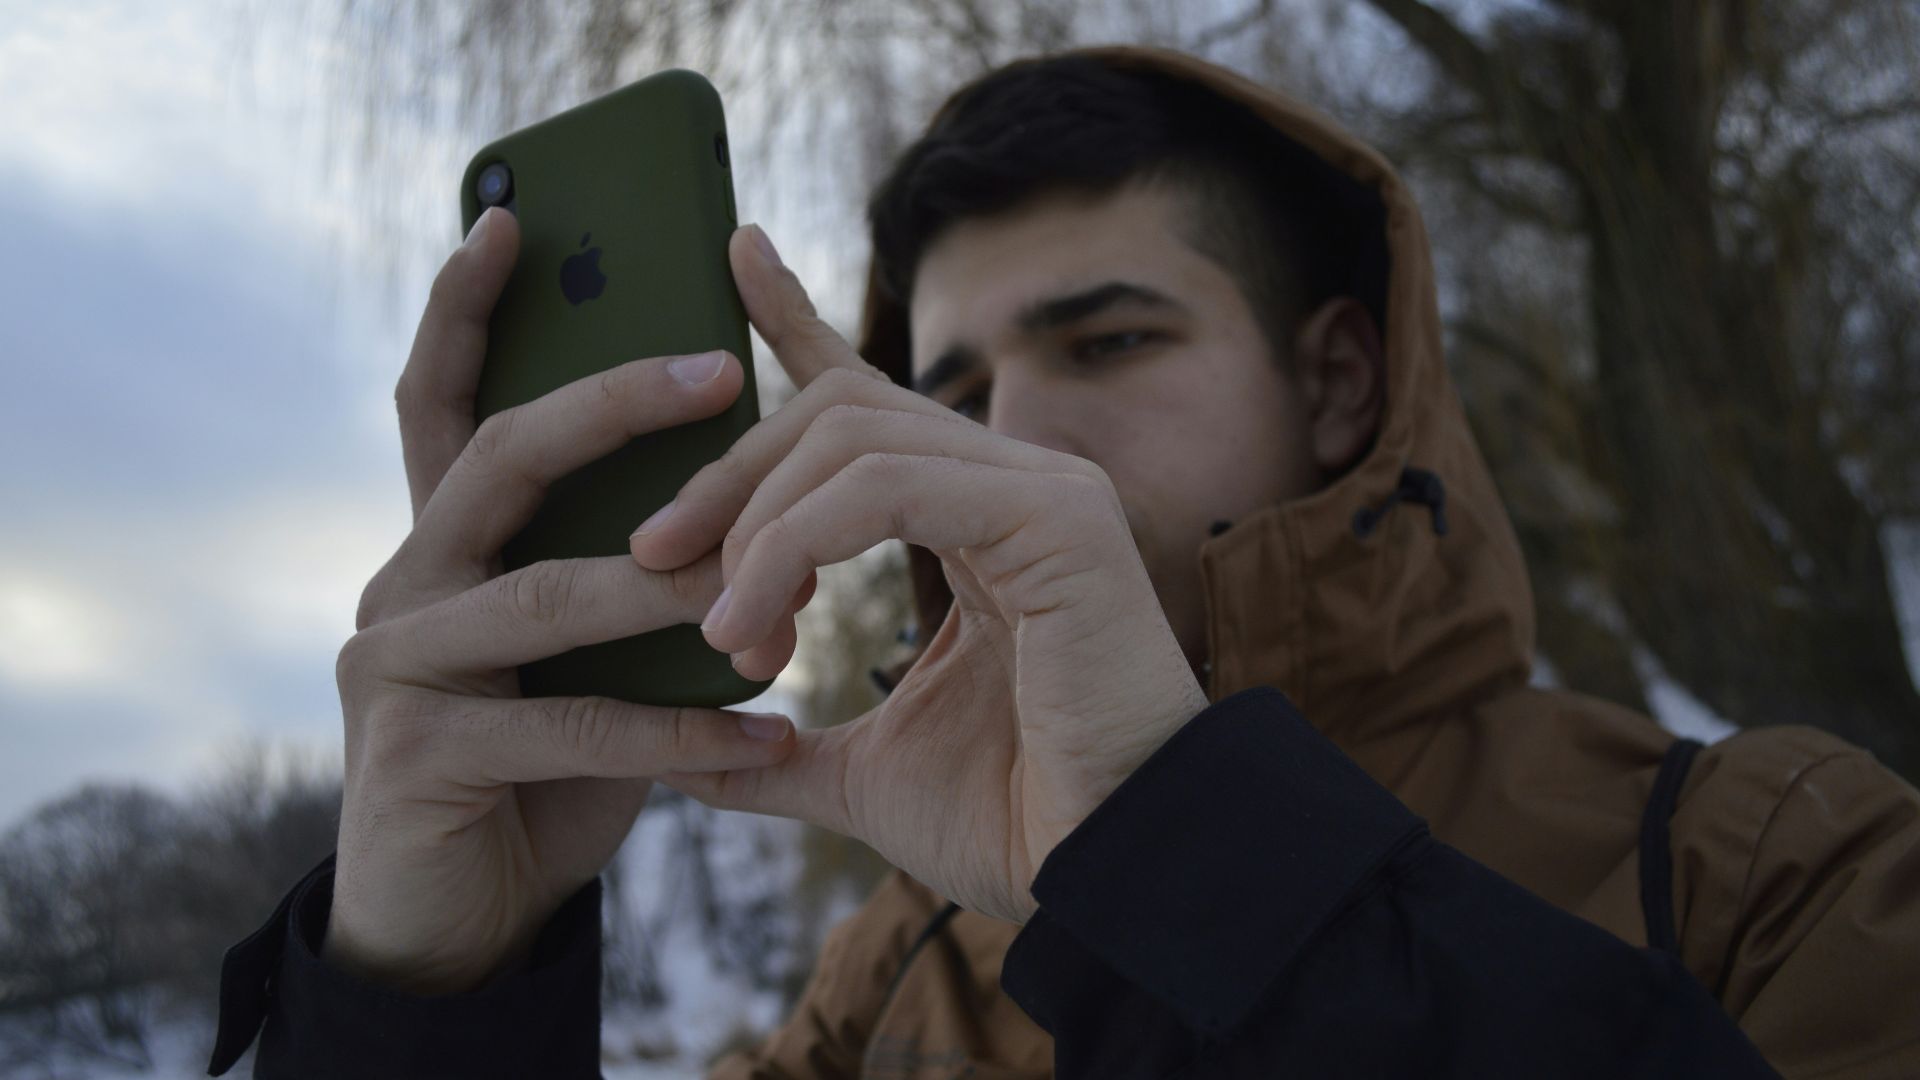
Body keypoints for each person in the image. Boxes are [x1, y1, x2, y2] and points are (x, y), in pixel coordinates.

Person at [208, 46, 1920, 1079]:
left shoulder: (1772, 864)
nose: (1008, 440)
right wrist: (424, 1009)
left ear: (1337, 380)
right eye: (951, 392)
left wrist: (1206, 872)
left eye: (1105, 344)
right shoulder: (885, 984)